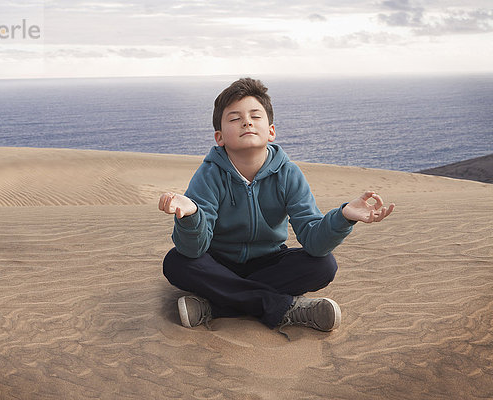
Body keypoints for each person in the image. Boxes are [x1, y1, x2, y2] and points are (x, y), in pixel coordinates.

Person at [158, 77, 394, 339]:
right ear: (220, 137)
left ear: (271, 130)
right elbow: (194, 248)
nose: (246, 122)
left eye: (255, 116)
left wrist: (343, 217)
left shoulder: (288, 174)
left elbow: (313, 242)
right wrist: (191, 216)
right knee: (177, 262)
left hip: (270, 263)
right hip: (218, 261)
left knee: (323, 265)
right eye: (234, 118)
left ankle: (215, 305)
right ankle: (288, 309)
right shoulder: (209, 175)